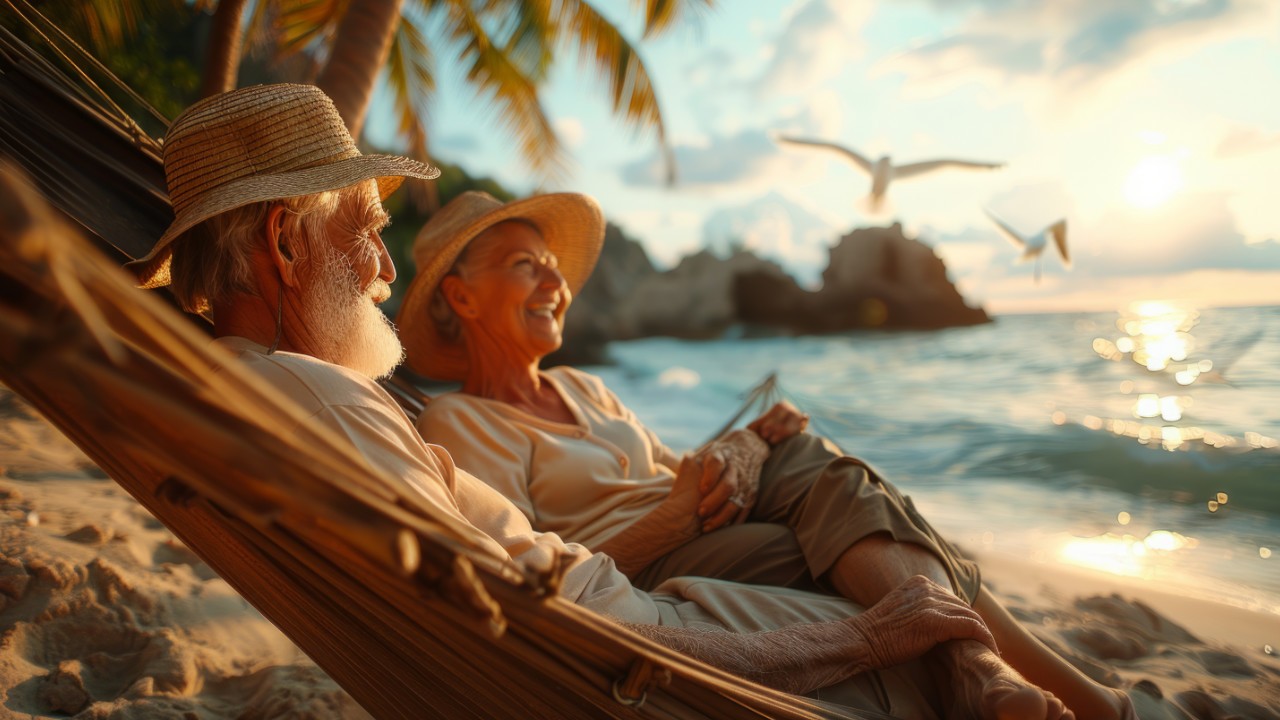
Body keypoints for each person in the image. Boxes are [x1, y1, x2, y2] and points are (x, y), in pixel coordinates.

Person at [128, 83, 1074, 720]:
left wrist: (734, 461)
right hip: (647, 656)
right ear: (287, 246)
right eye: (368, 232)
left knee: (849, 516)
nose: (381, 267)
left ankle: (983, 657)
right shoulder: (322, 399)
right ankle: (996, 673)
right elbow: (601, 634)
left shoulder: (281, 393)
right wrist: (869, 637)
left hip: (645, 616)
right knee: (902, 606)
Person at [397, 191, 1135, 720]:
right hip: (654, 570)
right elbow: (540, 577)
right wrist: (680, 520)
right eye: (528, 264)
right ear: (461, 298)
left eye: (554, 266)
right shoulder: (459, 422)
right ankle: (1029, 685)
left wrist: (746, 445)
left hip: (707, 528)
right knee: (854, 529)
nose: (557, 283)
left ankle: (984, 674)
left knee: (814, 466)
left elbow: (674, 467)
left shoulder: (584, 384)